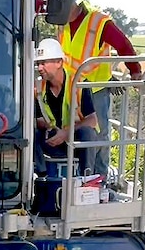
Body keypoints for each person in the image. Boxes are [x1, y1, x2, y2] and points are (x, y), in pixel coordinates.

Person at [59, 0, 143, 178]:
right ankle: (77, 175)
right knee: (72, 130)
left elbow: (122, 44)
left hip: (94, 89)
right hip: (69, 88)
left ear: (72, 7)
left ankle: (99, 178)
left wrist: (135, 71)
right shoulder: (62, 21)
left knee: (98, 134)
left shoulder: (99, 22)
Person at [33, 38, 97, 215]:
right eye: (38, 63)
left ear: (59, 62)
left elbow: (92, 120)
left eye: (44, 63)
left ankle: (86, 182)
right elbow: (38, 116)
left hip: (75, 139)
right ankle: (42, 180)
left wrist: (66, 132)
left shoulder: (79, 84)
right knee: (30, 132)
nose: (40, 68)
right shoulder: (38, 87)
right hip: (52, 140)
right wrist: (45, 128)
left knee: (88, 133)